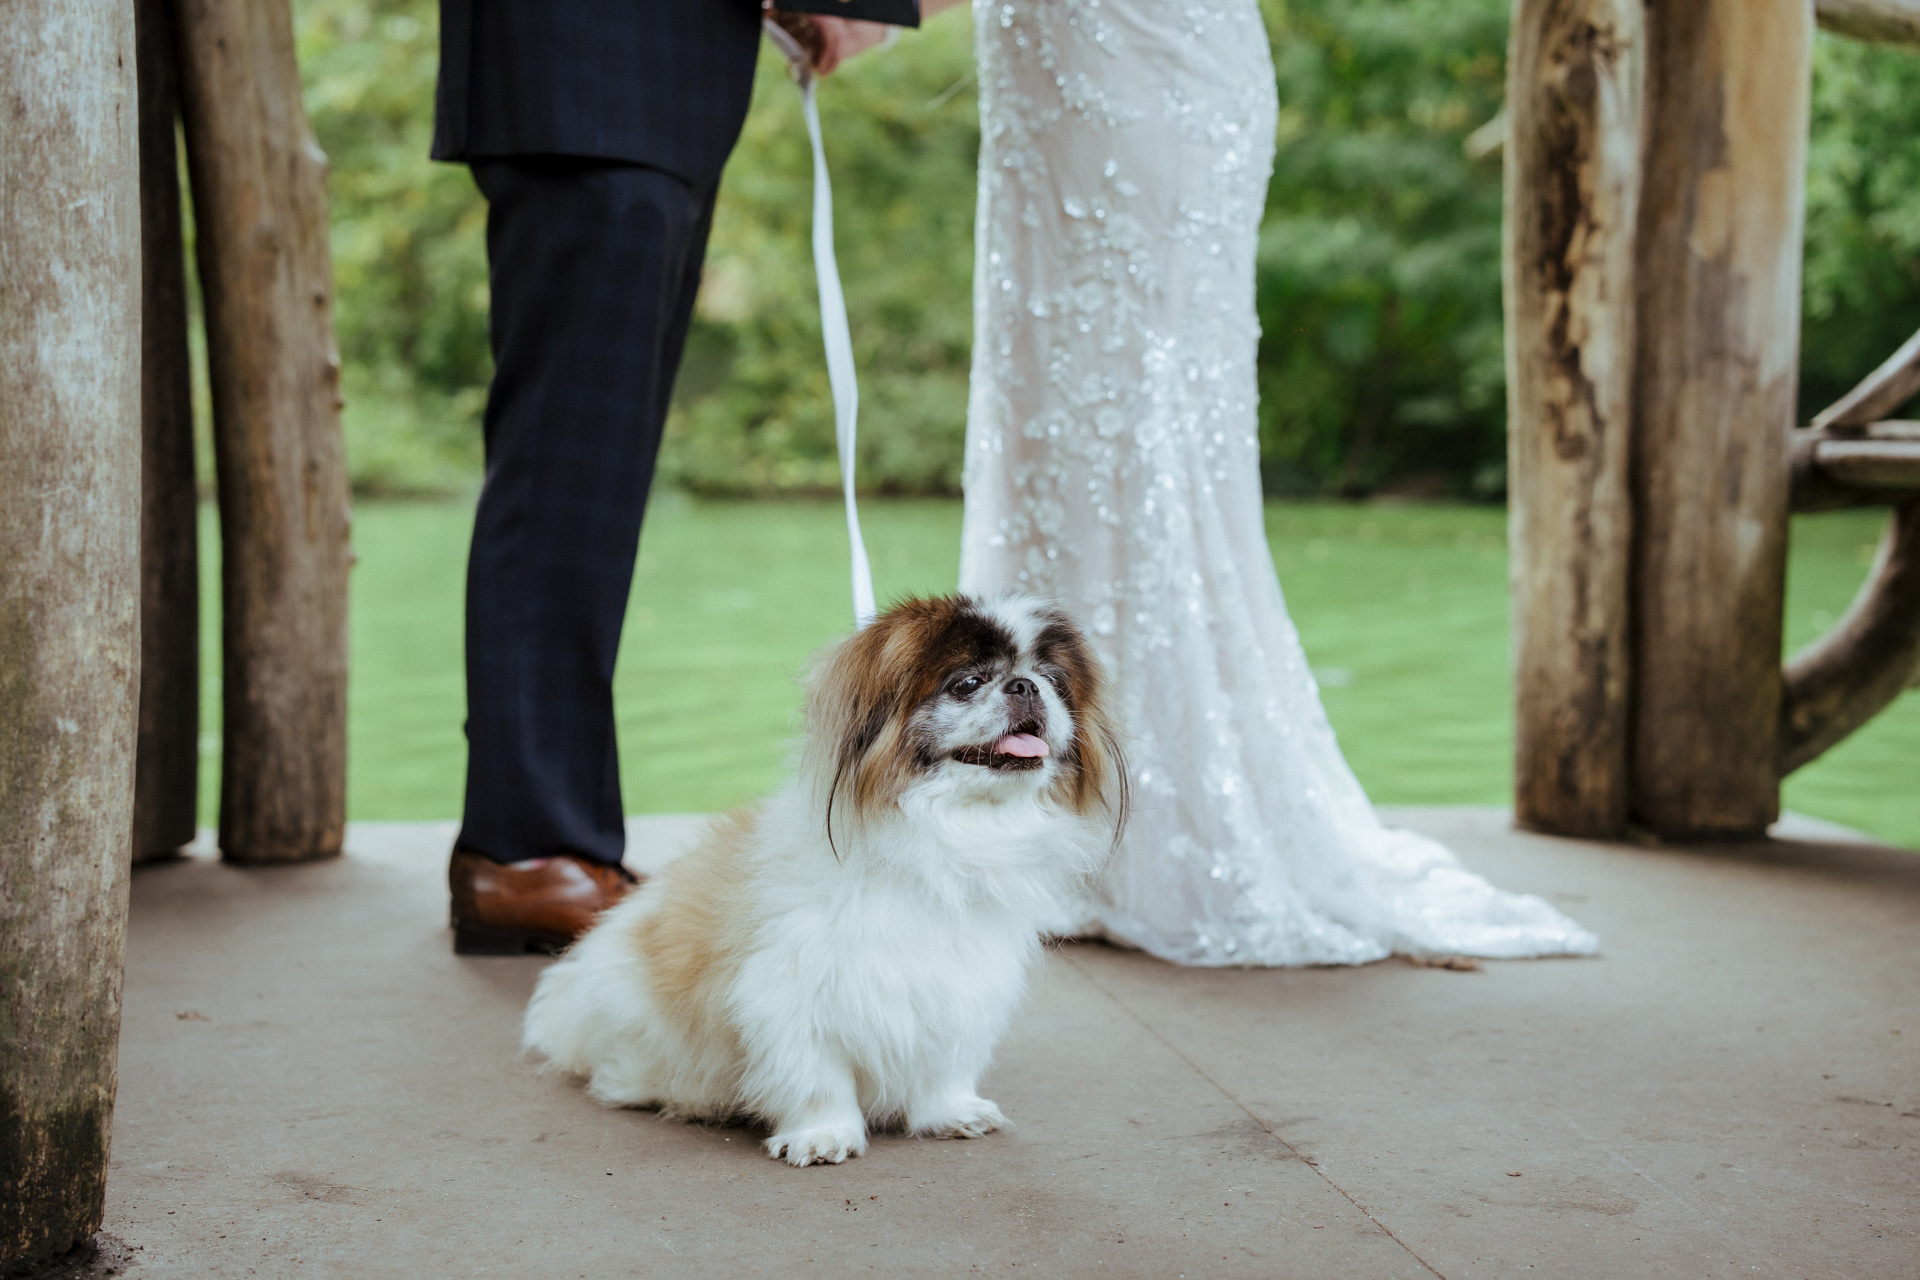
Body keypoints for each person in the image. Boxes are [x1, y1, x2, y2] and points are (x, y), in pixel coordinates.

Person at [955, 0, 1597, 963]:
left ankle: (1137, 817)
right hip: (1045, 73)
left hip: (1141, 66)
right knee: (1046, 417)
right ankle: (1038, 804)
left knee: (1136, 422)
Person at [431, 1, 886, 954]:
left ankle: (551, 840)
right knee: (564, 470)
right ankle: (525, 850)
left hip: (653, 79)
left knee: (591, 481)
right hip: (593, 59)